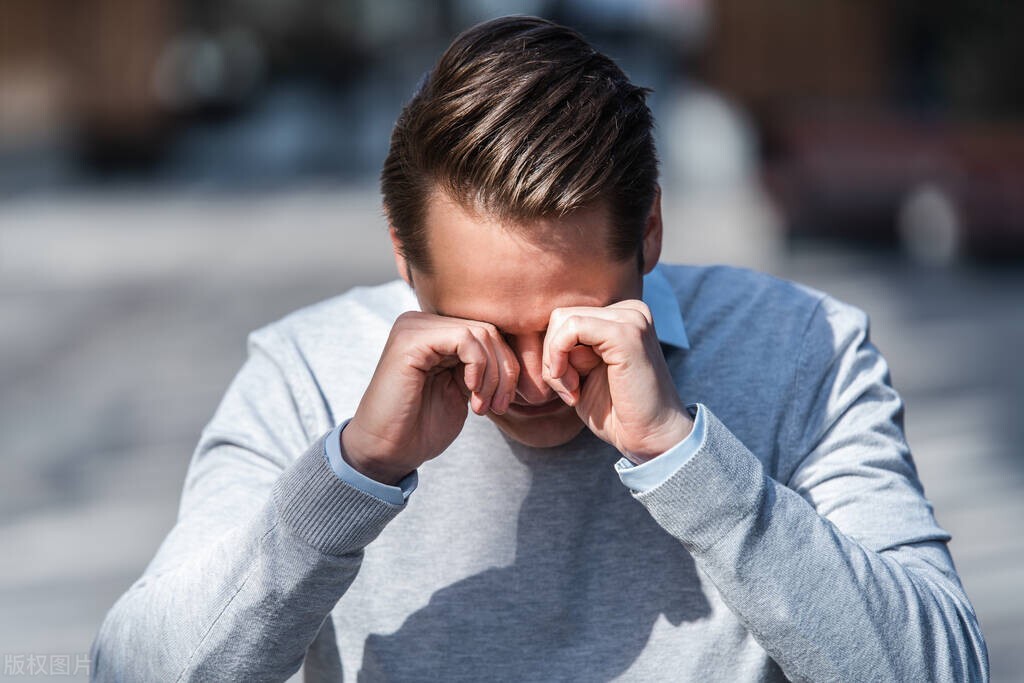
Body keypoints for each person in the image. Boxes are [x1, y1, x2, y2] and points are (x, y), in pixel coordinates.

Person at [91, 16, 988, 682]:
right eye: (483, 327)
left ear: (651, 234)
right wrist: (352, 473)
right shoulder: (305, 372)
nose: (529, 376)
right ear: (405, 258)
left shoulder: (804, 348)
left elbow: (942, 669)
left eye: (574, 319)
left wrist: (686, 457)